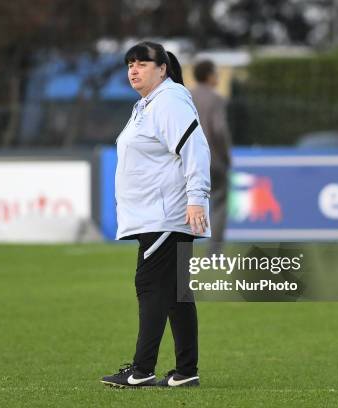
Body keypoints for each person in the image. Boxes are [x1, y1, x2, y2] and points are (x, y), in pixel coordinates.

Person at [101, 41, 211, 388]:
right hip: (157, 214)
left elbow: (195, 148)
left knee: (149, 286)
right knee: (177, 293)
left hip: (163, 215)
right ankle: (185, 371)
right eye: (130, 64)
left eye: (142, 63)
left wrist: (196, 198)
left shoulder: (169, 101)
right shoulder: (148, 105)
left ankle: (141, 369)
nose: (133, 69)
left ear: (162, 69)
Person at [191, 60, 232, 255]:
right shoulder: (215, 99)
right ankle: (214, 251)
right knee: (219, 202)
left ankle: (175, 250)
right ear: (208, 76)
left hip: (186, 160)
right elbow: (219, 129)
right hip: (212, 159)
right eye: (216, 73)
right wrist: (226, 156)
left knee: (181, 204)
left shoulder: (185, 96)